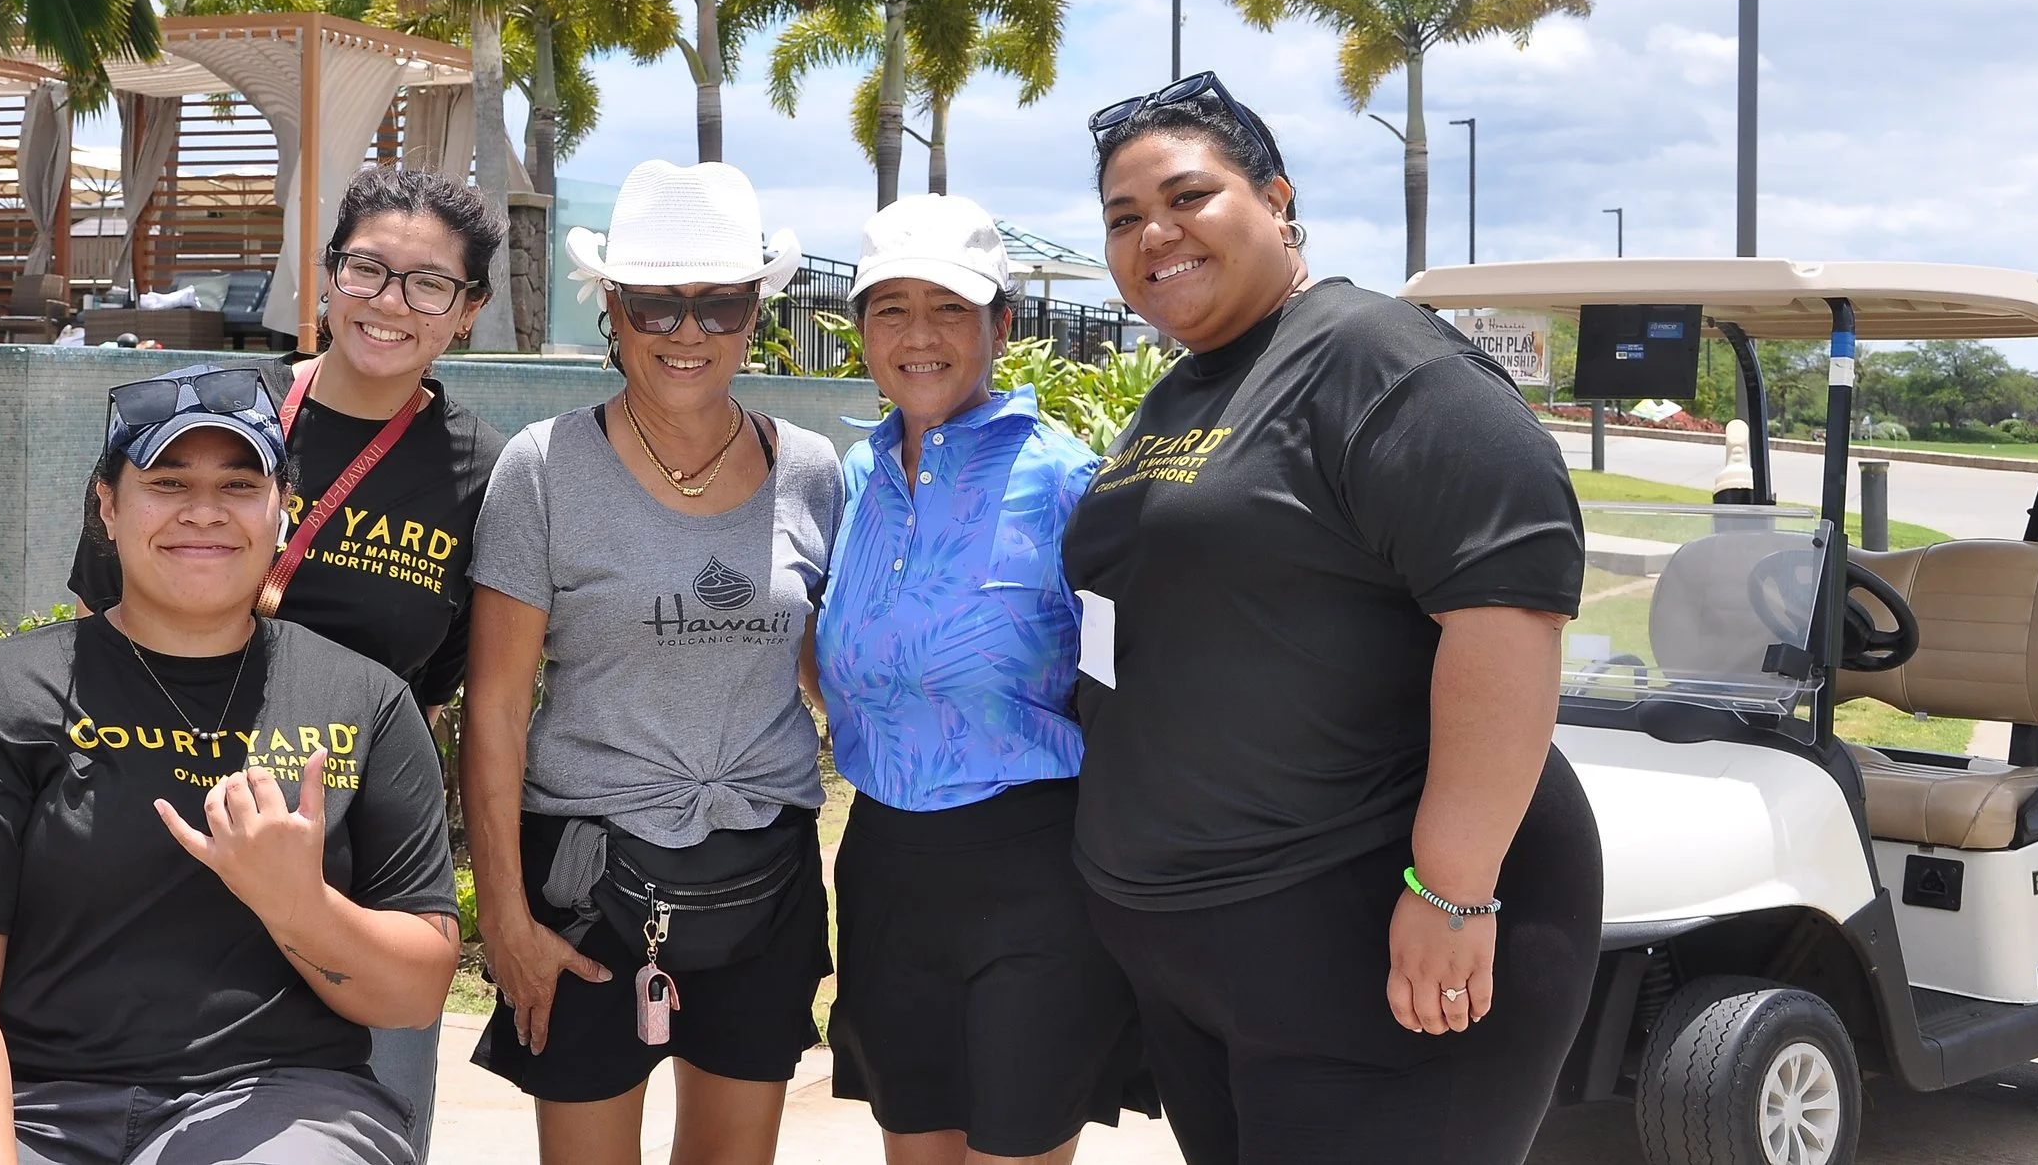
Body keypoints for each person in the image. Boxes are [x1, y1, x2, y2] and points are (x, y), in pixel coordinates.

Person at [1063, 72, 1602, 1165]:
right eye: (1124, 219)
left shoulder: (1377, 358)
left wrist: (1451, 892)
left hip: (1372, 941)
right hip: (1204, 956)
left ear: (1275, 197)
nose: (1152, 233)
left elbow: (1506, 610)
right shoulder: (1185, 391)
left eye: (1186, 196)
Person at [0, 367, 461, 1165]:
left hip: (278, 1101)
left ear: (283, 512)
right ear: (108, 506)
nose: (203, 511)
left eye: (239, 484)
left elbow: (412, 994)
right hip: (22, 1096)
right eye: (167, 481)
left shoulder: (363, 702)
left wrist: (298, 904)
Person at [68, 166, 508, 1157]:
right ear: (326, 276)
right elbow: (103, 615)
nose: (390, 301)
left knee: (356, 1121)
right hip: (160, 826)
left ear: (468, 310)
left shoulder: (484, 476)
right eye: (368, 268)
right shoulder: (214, 414)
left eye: (429, 283)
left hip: (361, 851)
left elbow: (458, 687)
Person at [463, 159, 842, 1165]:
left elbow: (820, 666)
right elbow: (496, 707)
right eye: (657, 305)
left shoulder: (809, 469)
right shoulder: (542, 467)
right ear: (613, 311)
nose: (688, 332)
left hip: (764, 867)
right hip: (587, 881)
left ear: (754, 311)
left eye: (717, 303)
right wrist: (501, 911)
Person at [812, 194, 1154, 1165]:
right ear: (862, 331)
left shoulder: (1068, 483)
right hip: (881, 871)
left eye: (948, 308)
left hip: (1034, 874)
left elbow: (1125, 684)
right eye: (890, 308)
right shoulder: (853, 477)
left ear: (1001, 325)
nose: (918, 335)